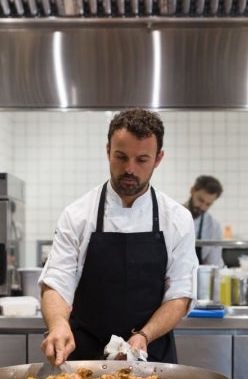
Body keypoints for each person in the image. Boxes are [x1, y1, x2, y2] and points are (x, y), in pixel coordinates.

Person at [39, 108, 198, 365]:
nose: (129, 169)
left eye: (142, 160)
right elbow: (56, 281)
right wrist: (58, 324)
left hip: (150, 355)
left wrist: (144, 335)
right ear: (107, 151)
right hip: (84, 357)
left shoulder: (177, 218)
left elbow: (180, 293)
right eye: (120, 157)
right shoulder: (78, 214)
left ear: (158, 158)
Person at [185, 175, 225, 267]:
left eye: (208, 204)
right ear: (192, 190)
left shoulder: (214, 227)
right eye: (200, 200)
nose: (202, 207)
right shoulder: (172, 217)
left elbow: (214, 263)